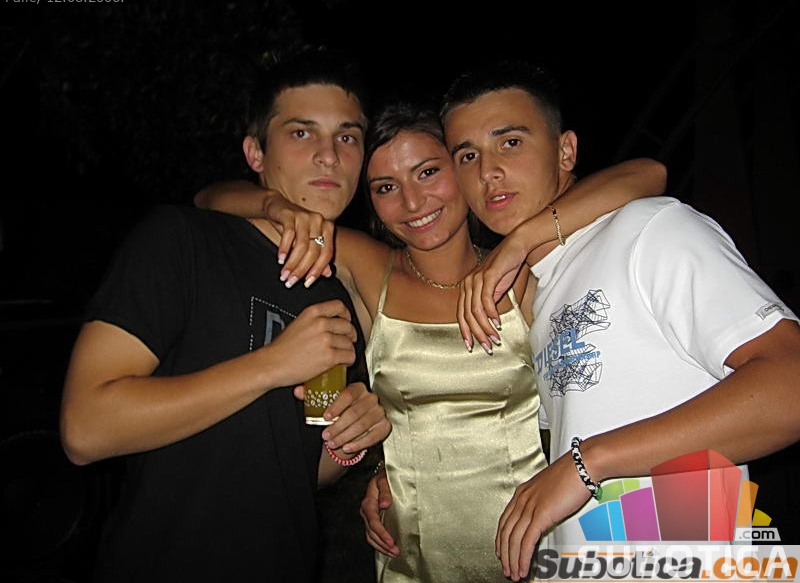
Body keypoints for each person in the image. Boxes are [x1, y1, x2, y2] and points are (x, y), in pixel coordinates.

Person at [196, 100, 667, 581]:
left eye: (427, 172)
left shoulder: (520, 273)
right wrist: (279, 207)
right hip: (412, 561)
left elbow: (648, 173)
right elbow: (209, 201)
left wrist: (521, 241)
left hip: (529, 547)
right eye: (386, 187)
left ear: (461, 168)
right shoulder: (369, 268)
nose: (413, 202)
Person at [444, 59, 800, 581]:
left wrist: (588, 461)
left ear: (566, 151)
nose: (487, 171)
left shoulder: (649, 228)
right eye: (467, 155)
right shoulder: (542, 294)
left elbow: (790, 387)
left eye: (511, 142)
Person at [59, 48, 391, 583]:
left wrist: (351, 440)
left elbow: (301, 468)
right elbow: (85, 429)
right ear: (255, 152)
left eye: (347, 137)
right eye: (302, 133)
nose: (329, 156)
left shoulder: (336, 290)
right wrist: (273, 365)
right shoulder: (181, 240)